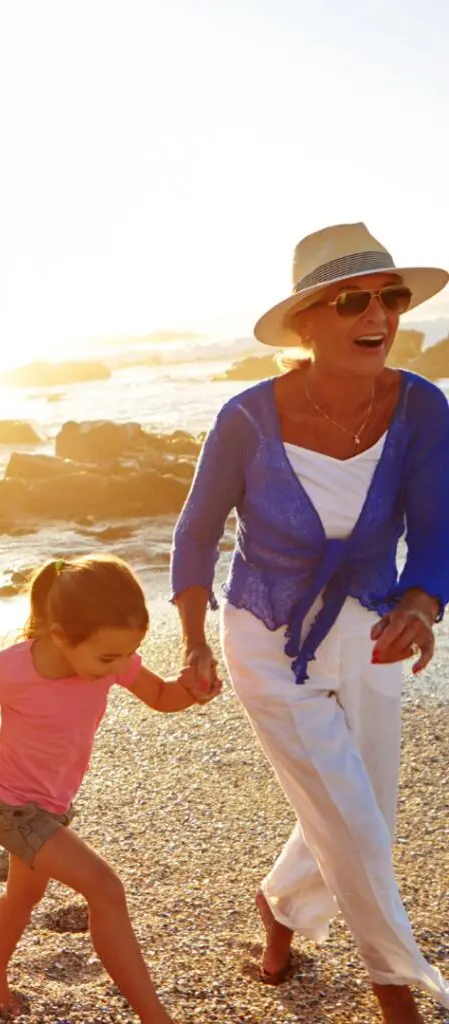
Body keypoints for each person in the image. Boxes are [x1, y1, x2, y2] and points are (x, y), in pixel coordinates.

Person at [171, 222, 449, 1023]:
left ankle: (282, 905)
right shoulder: (247, 419)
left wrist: (421, 602)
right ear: (306, 325)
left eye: (389, 298)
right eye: (351, 300)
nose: (378, 314)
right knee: (356, 822)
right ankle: (396, 989)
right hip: (266, 637)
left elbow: (437, 527)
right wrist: (193, 639)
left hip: (371, 629)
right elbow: (195, 533)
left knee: (363, 811)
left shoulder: (424, 409)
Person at [0, 555, 219, 1022]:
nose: (121, 667)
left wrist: (193, 689)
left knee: (24, 897)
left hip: (53, 805)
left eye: (128, 654)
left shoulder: (107, 657)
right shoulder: (15, 668)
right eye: (109, 658)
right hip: (9, 807)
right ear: (61, 636)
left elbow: (162, 696)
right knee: (105, 889)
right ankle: (154, 1016)